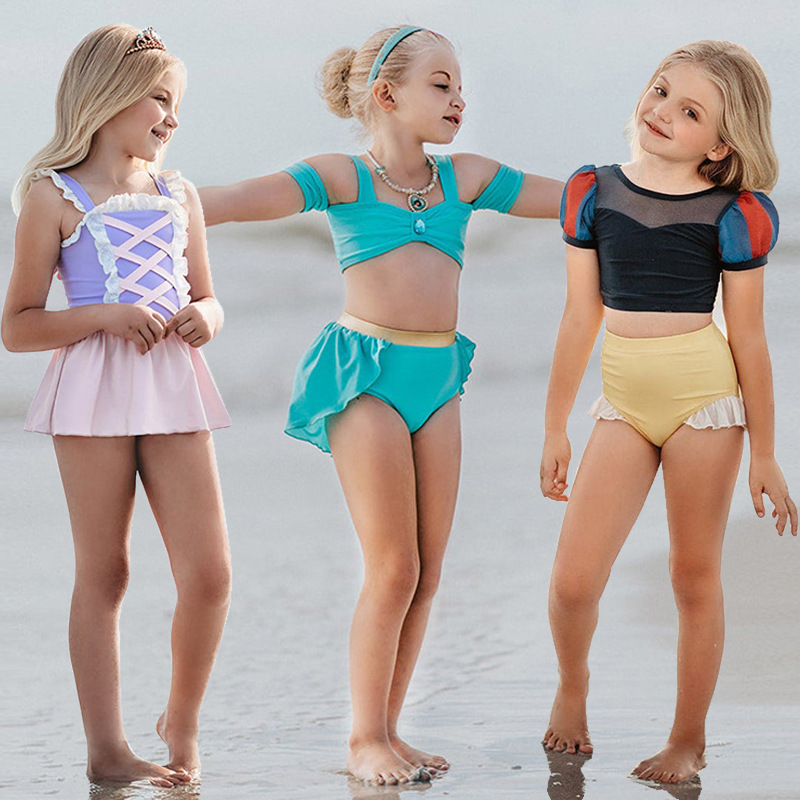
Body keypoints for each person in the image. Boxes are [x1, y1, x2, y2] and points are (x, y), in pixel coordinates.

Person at [198, 25, 562, 785]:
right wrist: (136, 198)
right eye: (441, 84)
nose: (459, 99)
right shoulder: (341, 176)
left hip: (438, 376)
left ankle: (391, 730)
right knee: (393, 567)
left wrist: (666, 183)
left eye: (460, 86)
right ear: (387, 95)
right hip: (364, 374)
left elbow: (575, 201)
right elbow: (230, 202)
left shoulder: (465, 178)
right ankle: (363, 738)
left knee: (426, 573)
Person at [539, 40, 797, 784]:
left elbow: (750, 340)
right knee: (573, 583)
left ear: (720, 145)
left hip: (704, 404)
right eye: (660, 91)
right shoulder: (592, 191)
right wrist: (556, 426)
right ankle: (572, 687)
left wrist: (765, 451)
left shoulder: (735, 214)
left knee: (692, 576)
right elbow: (578, 318)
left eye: (689, 112)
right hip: (622, 400)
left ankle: (688, 738)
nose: (661, 113)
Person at [2, 24, 232, 787]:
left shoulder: (178, 195)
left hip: (173, 383)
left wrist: (208, 319)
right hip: (92, 391)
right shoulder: (52, 196)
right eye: (160, 98)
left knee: (210, 573)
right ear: (109, 96)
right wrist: (101, 315)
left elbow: (208, 295)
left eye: (177, 101)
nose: (173, 116)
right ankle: (107, 750)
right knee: (105, 573)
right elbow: (17, 327)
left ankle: (181, 726)